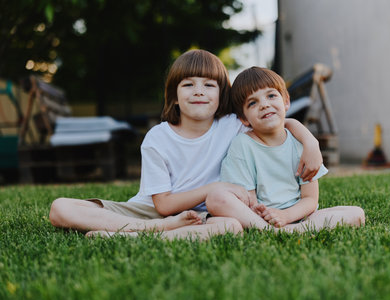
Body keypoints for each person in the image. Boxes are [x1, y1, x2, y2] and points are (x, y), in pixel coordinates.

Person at [49, 50, 323, 240]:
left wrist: (310, 142)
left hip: (201, 216)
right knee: (61, 208)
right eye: (188, 84)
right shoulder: (158, 138)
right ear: (175, 96)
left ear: (222, 96)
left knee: (229, 226)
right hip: (151, 212)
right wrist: (212, 189)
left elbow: (275, 121)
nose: (199, 91)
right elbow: (164, 204)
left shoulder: (231, 124)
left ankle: (128, 238)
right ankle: (152, 231)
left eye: (209, 85)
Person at [206, 67, 365, 232]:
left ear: (286, 101)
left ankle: (292, 230)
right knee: (216, 197)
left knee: (356, 213)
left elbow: (310, 199)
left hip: (299, 216)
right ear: (244, 118)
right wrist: (264, 214)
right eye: (253, 103)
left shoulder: (300, 143)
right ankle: (270, 230)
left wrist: (286, 216)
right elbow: (248, 199)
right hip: (258, 217)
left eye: (271, 96)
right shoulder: (242, 145)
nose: (264, 105)